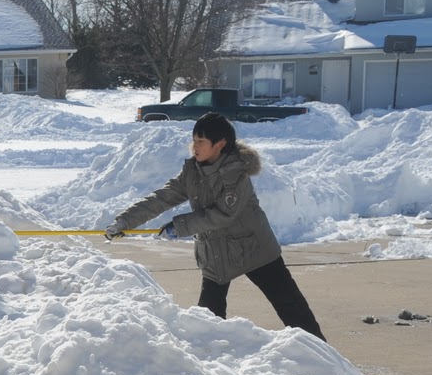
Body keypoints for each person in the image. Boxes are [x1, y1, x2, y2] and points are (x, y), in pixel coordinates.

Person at [105, 112, 326, 341]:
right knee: (207, 319)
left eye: (201, 141)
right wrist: (125, 221)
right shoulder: (193, 171)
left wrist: (179, 226)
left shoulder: (236, 173)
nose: (195, 147)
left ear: (220, 144)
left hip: (254, 249)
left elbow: (224, 214)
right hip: (216, 253)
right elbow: (163, 197)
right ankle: (211, 363)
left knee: (291, 308)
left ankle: (323, 357)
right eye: (193, 140)